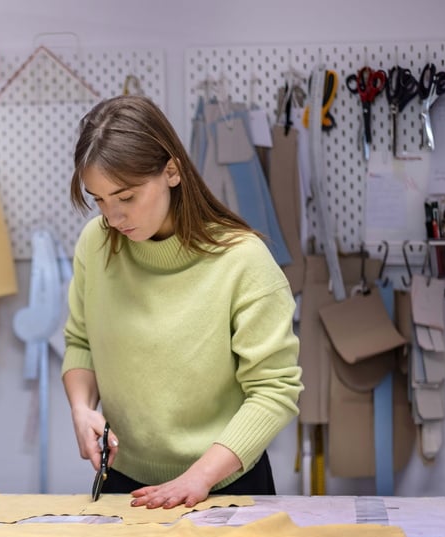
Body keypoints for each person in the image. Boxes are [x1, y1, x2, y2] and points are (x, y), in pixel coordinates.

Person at [62, 94, 303, 509]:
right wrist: (82, 409)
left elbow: (274, 390)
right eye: (98, 200)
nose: (113, 217)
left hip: (225, 485)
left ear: (172, 171)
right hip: (126, 484)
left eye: (125, 197)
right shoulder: (96, 243)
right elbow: (82, 342)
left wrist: (200, 476)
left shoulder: (242, 259)